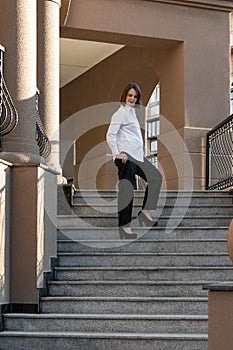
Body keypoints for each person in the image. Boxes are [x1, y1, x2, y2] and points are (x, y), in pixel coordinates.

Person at [106, 82, 162, 239]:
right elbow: (110, 134)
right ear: (125, 96)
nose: (132, 98)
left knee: (156, 177)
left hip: (136, 157)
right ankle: (124, 227)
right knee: (127, 190)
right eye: (130, 95)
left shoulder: (131, 113)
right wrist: (117, 154)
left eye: (135, 96)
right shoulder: (120, 113)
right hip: (126, 157)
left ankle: (145, 212)